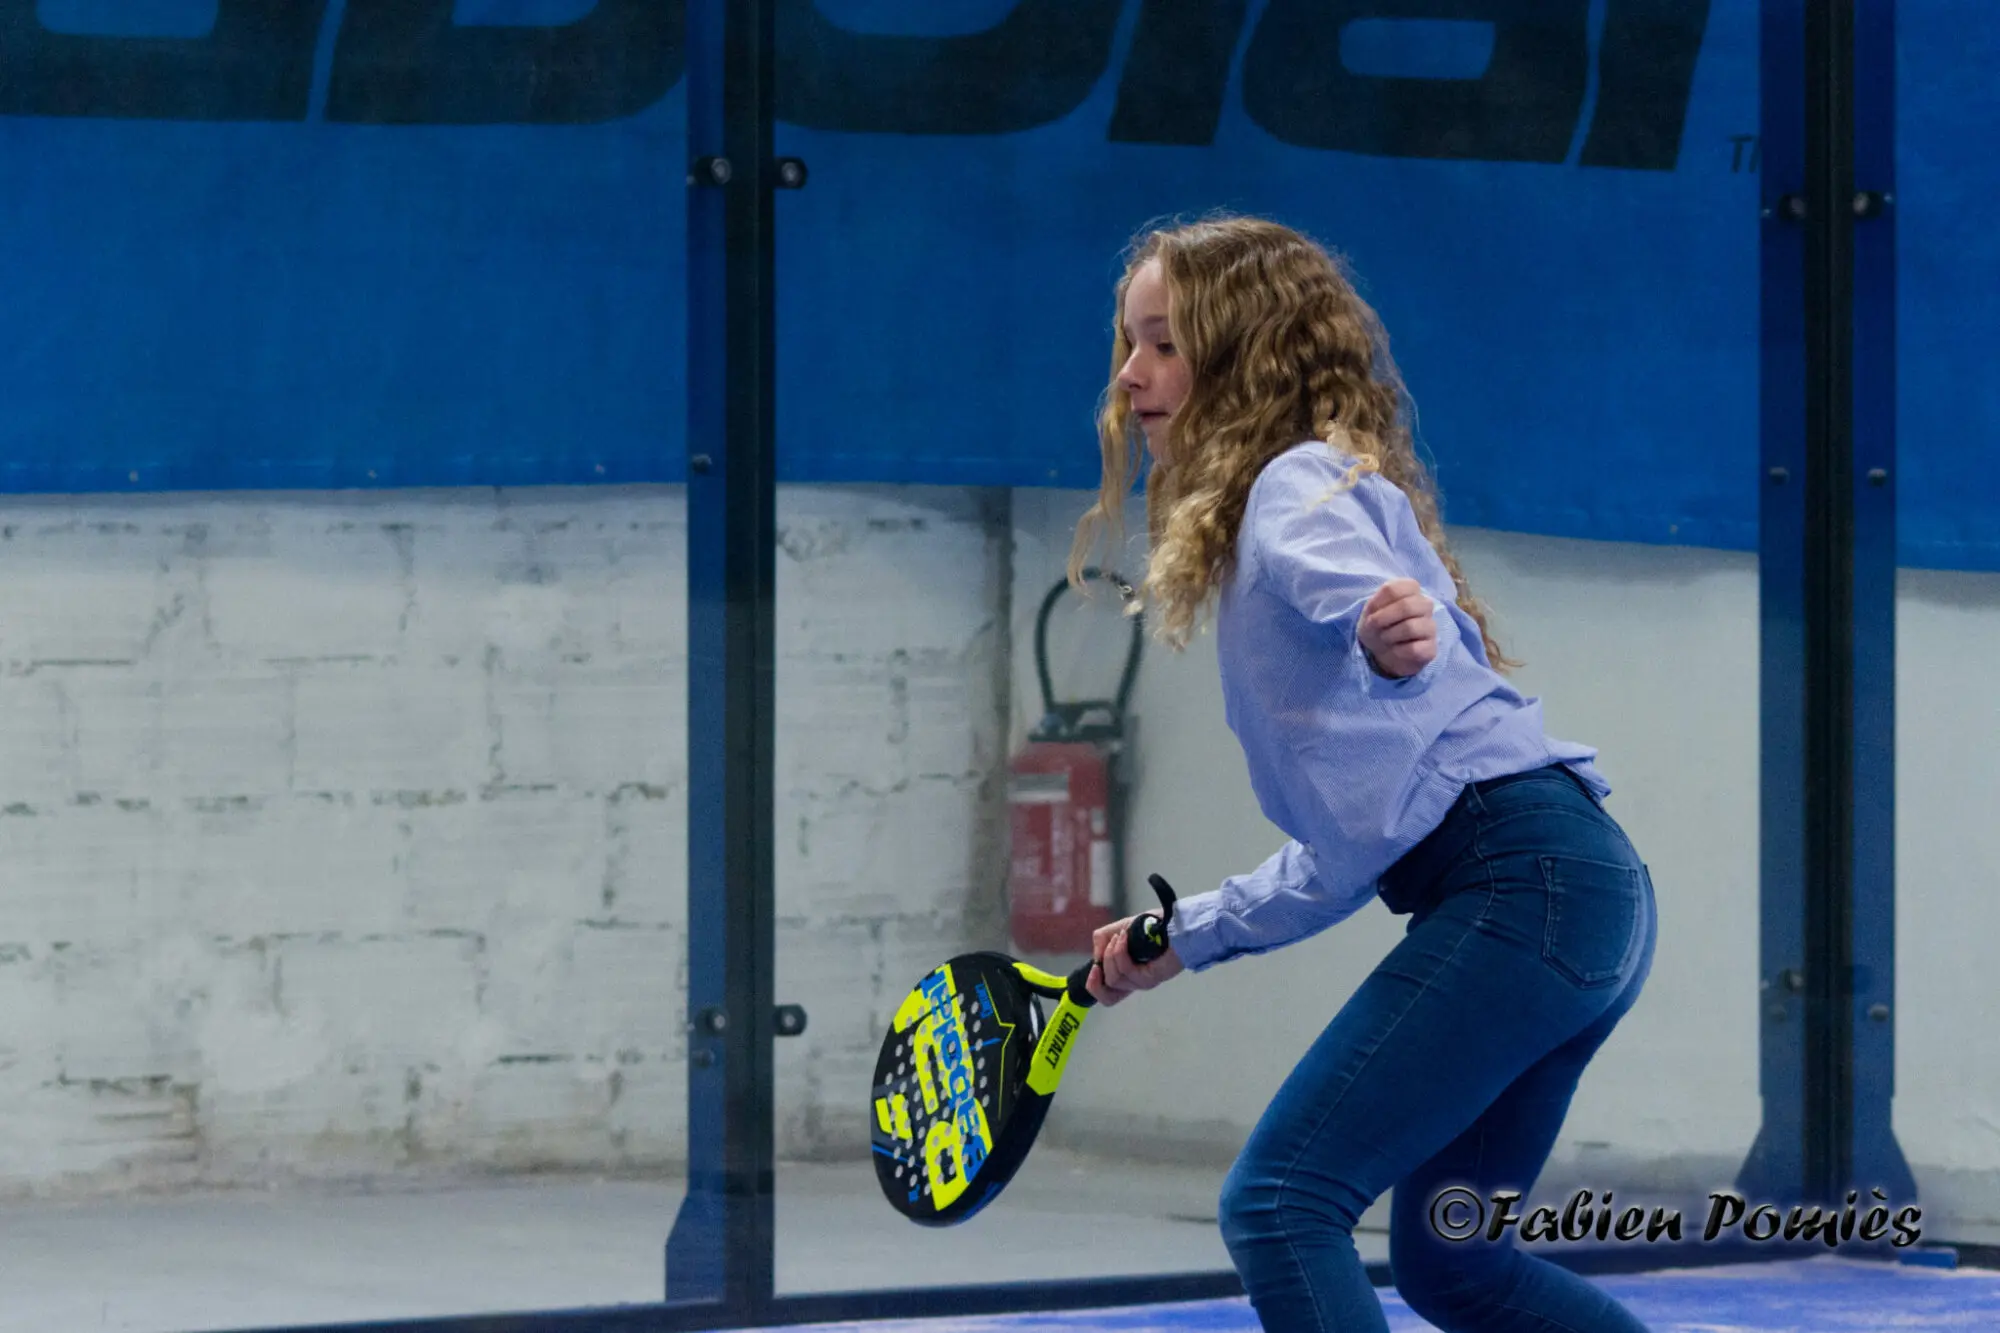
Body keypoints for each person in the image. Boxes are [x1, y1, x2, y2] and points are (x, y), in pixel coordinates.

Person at [1071, 215, 1658, 1333]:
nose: (1130, 376)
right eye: (1128, 344)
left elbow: (1376, 605)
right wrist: (1179, 934)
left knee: (1282, 1201)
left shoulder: (1290, 491)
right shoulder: (1299, 496)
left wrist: (1387, 635)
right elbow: (1349, 850)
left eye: (1162, 344)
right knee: (1456, 1268)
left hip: (1523, 889)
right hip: (1576, 895)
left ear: (1241, 356)